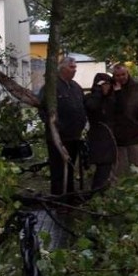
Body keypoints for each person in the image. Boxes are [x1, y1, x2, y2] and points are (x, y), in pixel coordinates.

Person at [38, 56, 87, 196]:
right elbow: (42, 109)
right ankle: (58, 198)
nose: (75, 70)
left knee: (71, 167)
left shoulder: (76, 87)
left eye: (75, 67)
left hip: (74, 136)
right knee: (58, 169)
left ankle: (70, 195)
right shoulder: (51, 88)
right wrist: (54, 125)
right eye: (72, 67)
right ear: (62, 68)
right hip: (58, 138)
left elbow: (82, 106)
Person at [111, 63, 138, 176]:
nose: (121, 77)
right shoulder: (111, 88)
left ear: (127, 73)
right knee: (120, 166)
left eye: (123, 74)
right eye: (117, 75)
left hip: (134, 131)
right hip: (118, 133)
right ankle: (121, 189)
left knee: (136, 163)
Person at [84, 73, 118, 191]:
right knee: (102, 167)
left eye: (108, 85)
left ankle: (101, 192)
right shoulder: (91, 98)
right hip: (97, 137)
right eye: (104, 85)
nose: (106, 87)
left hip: (110, 137)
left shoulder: (111, 99)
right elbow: (92, 107)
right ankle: (97, 192)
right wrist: (98, 92)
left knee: (107, 168)